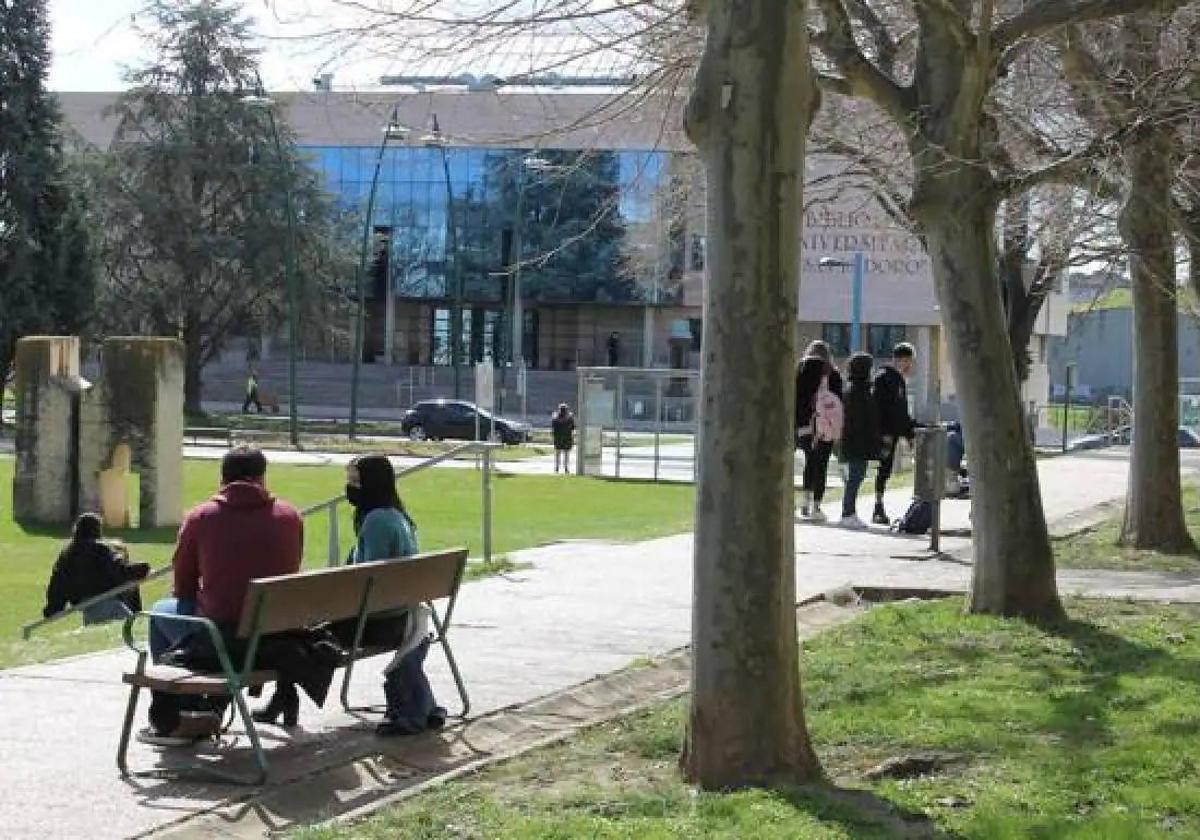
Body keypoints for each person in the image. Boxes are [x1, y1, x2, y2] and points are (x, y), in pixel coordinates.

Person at [141, 446, 303, 745]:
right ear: (262, 478)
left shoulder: (202, 517)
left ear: (223, 478)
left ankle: (178, 716)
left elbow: (184, 587)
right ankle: (206, 707)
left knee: (161, 612)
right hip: (276, 636)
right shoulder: (290, 515)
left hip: (224, 636)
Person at [340, 454, 446, 737]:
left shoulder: (375, 521)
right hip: (407, 612)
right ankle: (425, 707)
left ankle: (284, 698)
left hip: (382, 620)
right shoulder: (399, 516)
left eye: (354, 481)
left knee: (308, 637)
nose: (349, 488)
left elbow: (369, 581)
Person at [43, 513, 149, 624]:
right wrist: (142, 569)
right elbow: (119, 570)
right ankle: (136, 619)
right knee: (127, 631)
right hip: (106, 602)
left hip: (86, 605)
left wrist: (53, 609)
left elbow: (58, 585)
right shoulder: (100, 549)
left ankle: (135, 617)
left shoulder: (67, 554)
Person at [872, 342, 918, 525]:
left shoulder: (896, 379)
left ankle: (878, 506)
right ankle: (877, 507)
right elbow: (890, 410)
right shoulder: (887, 379)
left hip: (891, 432)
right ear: (899, 360)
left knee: (885, 469)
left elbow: (901, 413)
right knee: (883, 469)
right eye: (908, 361)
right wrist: (891, 431)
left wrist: (909, 431)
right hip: (886, 433)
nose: (910, 366)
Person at [795, 352, 843, 522]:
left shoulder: (800, 379)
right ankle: (816, 505)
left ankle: (805, 502)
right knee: (821, 465)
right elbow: (838, 404)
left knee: (810, 462)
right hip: (824, 429)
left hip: (804, 428)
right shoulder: (832, 378)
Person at [839, 353, 881, 529]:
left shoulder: (854, 389)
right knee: (855, 477)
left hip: (854, 441)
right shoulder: (859, 391)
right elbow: (861, 419)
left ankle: (849, 512)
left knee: (856, 476)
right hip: (857, 441)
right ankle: (848, 513)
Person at [551, 403, 576, 474]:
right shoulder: (570, 418)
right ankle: (566, 468)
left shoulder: (555, 418)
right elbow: (573, 428)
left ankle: (557, 468)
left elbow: (553, 428)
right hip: (567, 438)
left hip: (558, 438)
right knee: (566, 454)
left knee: (558, 454)